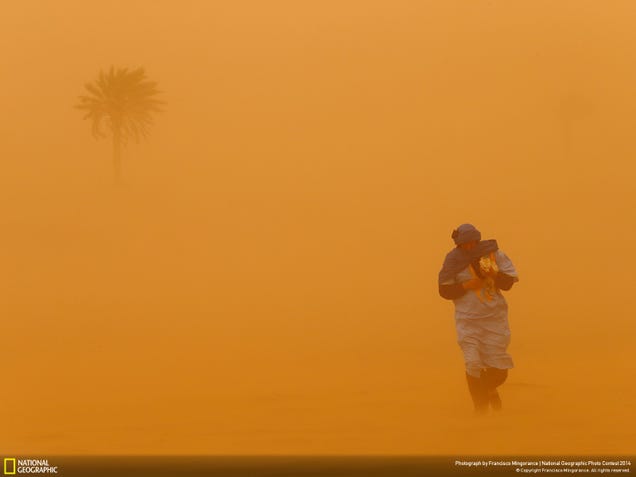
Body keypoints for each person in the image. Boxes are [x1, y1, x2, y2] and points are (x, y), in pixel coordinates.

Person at [438, 223, 519, 414]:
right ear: (458, 245)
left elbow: (508, 284)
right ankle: (480, 411)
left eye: (472, 243)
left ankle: (490, 388)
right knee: (473, 364)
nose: (469, 247)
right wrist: (467, 286)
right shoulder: (453, 261)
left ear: (478, 240)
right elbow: (444, 290)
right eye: (464, 244)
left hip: (494, 318)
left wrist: (494, 274)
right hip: (468, 320)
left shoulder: (494, 255)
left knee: (499, 370)